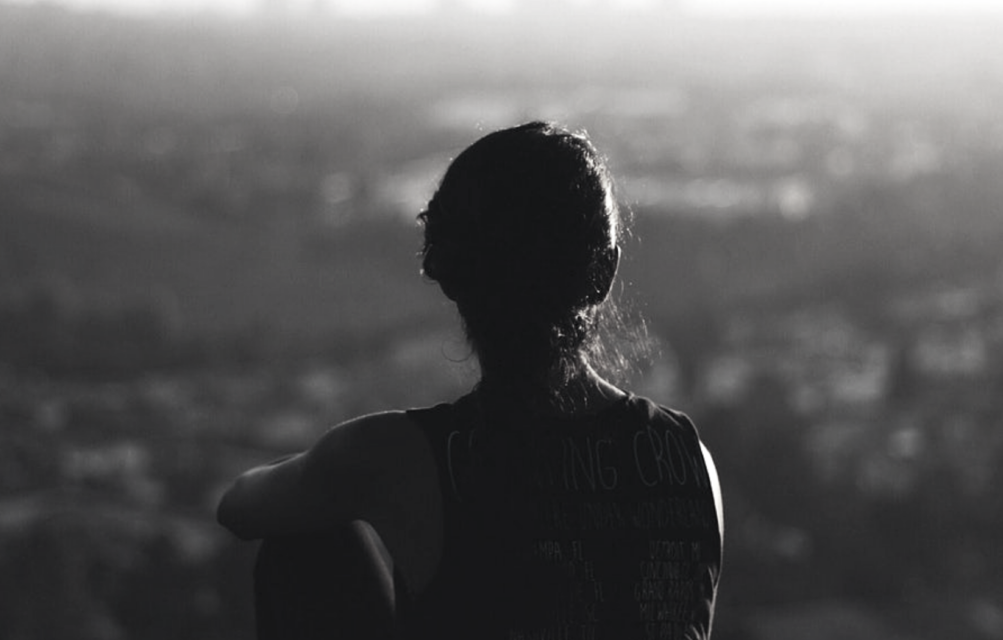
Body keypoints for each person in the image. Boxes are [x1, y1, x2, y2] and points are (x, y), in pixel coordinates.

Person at [217, 121, 724, 640]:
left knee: (305, 541)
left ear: (451, 277)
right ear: (604, 273)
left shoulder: (398, 460)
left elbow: (238, 506)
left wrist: (331, 471)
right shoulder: (687, 461)